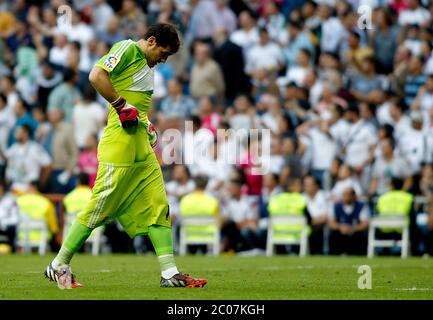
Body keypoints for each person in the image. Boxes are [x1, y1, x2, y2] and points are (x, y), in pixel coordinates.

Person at [44, 23, 207, 289]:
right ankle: (58, 264)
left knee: (158, 205)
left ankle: (169, 273)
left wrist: (149, 126)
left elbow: (136, 107)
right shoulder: (127, 48)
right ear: (151, 41)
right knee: (97, 208)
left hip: (141, 147)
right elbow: (96, 76)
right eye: (163, 53)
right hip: (119, 146)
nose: (163, 60)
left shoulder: (147, 67)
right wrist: (120, 105)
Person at [328, 187, 369, 255]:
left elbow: (365, 224)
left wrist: (352, 228)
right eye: (344, 195)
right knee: (333, 234)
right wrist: (340, 227)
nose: (345, 197)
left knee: (361, 235)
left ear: (354, 196)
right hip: (340, 232)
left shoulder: (361, 206)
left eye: (348, 195)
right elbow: (331, 222)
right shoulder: (336, 206)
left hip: (355, 232)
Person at [0, 180, 19, 253]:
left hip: (7, 229)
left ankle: (10, 248)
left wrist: (3, 224)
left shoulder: (11, 200)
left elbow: (15, 219)